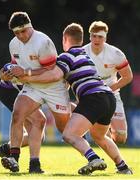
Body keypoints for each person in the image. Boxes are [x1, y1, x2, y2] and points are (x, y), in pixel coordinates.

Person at [19, 23, 133, 175]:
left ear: (65, 39)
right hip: (108, 98)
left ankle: (93, 159)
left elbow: (54, 76)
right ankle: (123, 167)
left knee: (69, 134)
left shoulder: (67, 56)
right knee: (99, 136)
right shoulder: (85, 55)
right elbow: (65, 84)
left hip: (94, 98)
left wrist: (26, 75)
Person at [0, 11, 71, 173]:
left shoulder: (43, 42)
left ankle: (92, 155)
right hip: (32, 86)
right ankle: (19, 160)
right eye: (16, 33)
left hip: (52, 86)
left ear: (30, 27)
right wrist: (8, 74)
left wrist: (26, 72)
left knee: (67, 133)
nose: (20, 35)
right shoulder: (13, 43)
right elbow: (14, 68)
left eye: (23, 31)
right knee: (18, 114)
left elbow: (50, 70)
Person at [83, 21, 133, 144]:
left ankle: (107, 129)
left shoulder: (115, 54)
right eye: (94, 36)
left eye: (100, 36)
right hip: (90, 97)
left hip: (112, 96)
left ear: (105, 37)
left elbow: (128, 76)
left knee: (121, 138)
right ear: (89, 36)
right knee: (96, 135)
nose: (96, 39)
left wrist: (110, 89)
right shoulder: (82, 52)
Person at [0, 78, 46, 157]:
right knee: (39, 120)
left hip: (21, 90)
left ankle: (6, 149)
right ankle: (31, 161)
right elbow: (11, 68)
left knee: (39, 136)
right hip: (12, 90)